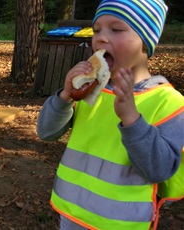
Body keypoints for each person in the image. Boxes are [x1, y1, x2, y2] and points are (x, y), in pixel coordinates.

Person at [37, 0, 183, 229]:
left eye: (116, 29)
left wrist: (132, 120)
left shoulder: (169, 103)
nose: (101, 38)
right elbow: (46, 132)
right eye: (97, 30)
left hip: (120, 223)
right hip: (73, 215)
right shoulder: (91, 89)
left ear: (145, 42)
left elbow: (160, 169)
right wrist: (65, 96)